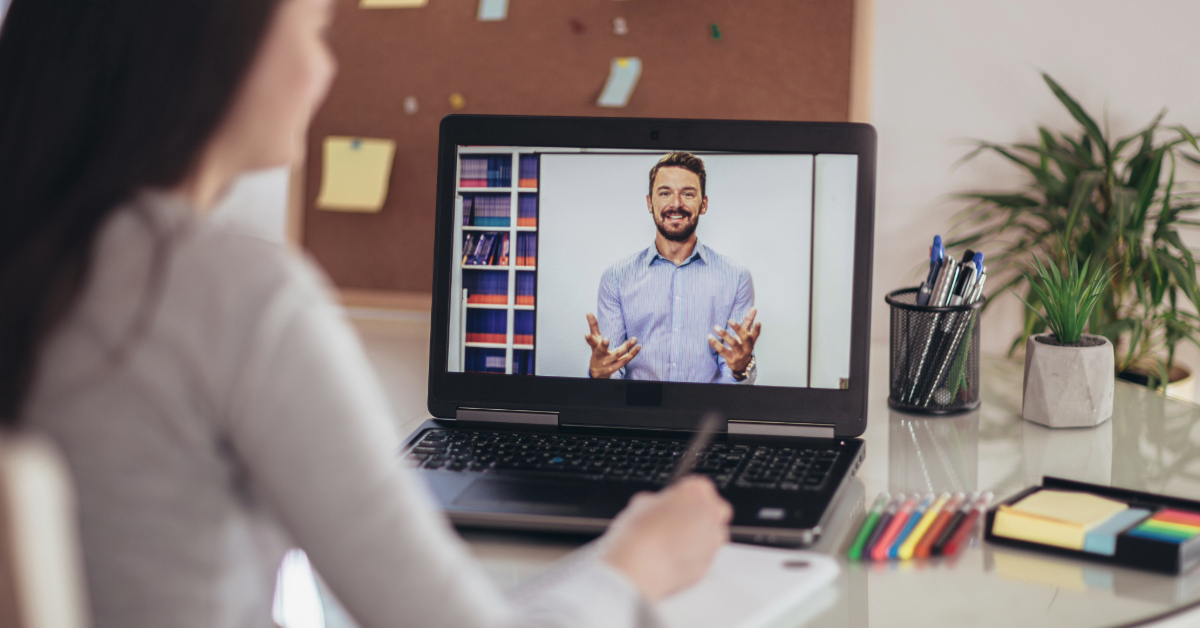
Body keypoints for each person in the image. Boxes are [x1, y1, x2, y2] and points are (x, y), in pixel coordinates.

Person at [0, 0, 733, 626]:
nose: (325, 70)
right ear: (219, 46)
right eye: (316, 30)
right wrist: (637, 562)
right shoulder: (233, 294)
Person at [585, 152, 763, 384]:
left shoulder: (737, 277)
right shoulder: (616, 277)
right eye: (665, 193)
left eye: (688, 194)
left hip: (706, 414)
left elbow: (733, 367)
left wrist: (741, 369)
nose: (676, 203)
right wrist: (599, 374)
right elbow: (611, 366)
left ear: (704, 204)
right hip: (637, 415)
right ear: (650, 203)